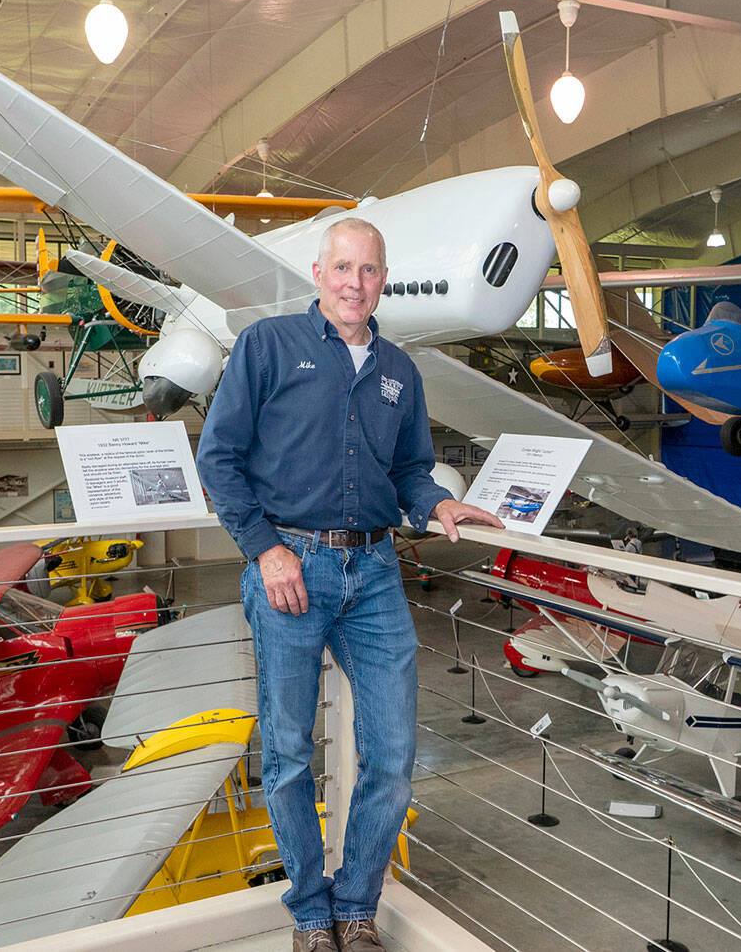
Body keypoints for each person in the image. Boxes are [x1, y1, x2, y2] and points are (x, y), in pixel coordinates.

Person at [196, 217, 501, 952]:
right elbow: (218, 458)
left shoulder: (400, 368)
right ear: (317, 271)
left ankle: (356, 904)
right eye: (342, 268)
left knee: (393, 751)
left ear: (383, 280)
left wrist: (437, 502)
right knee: (290, 754)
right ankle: (309, 912)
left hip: (376, 573)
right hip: (291, 569)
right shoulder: (267, 346)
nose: (353, 283)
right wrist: (266, 550)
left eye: (368, 271)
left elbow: (408, 471)